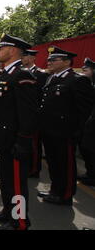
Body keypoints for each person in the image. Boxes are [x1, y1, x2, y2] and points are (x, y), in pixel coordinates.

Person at [0, 34, 38, 230]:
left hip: (15, 141)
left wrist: (23, 141)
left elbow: (28, 114)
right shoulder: (6, 74)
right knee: (7, 181)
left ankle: (19, 222)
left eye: (1, 48)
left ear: (13, 50)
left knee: (16, 185)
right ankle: (8, 212)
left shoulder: (22, 75)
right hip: (5, 140)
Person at [39, 47, 95, 205]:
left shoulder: (77, 79)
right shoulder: (52, 78)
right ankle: (55, 190)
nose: (49, 62)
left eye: (53, 60)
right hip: (49, 130)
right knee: (53, 163)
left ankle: (65, 195)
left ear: (66, 62)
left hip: (65, 133)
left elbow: (84, 110)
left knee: (66, 166)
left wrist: (75, 132)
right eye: (49, 59)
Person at [21, 49, 50, 178]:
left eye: (26, 56)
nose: (23, 58)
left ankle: (33, 169)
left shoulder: (40, 74)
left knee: (34, 144)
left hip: (34, 114)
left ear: (32, 58)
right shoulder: (22, 72)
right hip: (23, 114)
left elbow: (41, 96)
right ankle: (25, 165)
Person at [80, 57, 95, 186]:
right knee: (86, 149)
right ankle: (90, 173)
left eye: (87, 68)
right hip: (87, 123)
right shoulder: (87, 83)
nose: (83, 69)